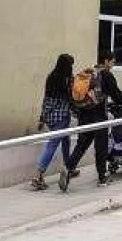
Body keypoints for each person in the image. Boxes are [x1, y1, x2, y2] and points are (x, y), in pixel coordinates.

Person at [59, 51, 122, 192]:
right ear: (106, 61)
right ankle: (102, 177)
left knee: (82, 145)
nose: (113, 65)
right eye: (112, 62)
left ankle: (68, 167)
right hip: (99, 117)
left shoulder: (89, 73)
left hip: (84, 115)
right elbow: (116, 93)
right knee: (101, 147)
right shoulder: (106, 75)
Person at [30, 53, 74, 190]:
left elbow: (46, 101)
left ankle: (69, 166)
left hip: (50, 117)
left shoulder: (51, 77)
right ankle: (38, 175)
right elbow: (71, 99)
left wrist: (42, 119)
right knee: (53, 144)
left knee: (66, 139)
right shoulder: (67, 80)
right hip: (62, 117)